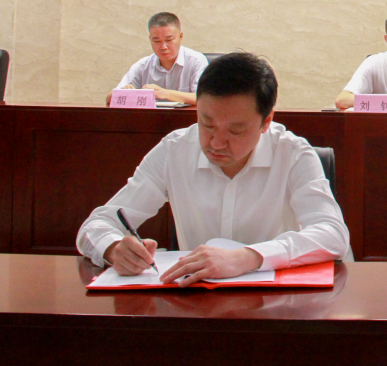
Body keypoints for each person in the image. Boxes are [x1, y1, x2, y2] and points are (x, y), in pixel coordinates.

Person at [79, 51, 352, 286]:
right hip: (195, 304)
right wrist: (114, 248)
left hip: (274, 306)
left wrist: (248, 258)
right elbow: (96, 225)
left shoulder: (293, 154)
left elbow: (332, 234)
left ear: (266, 121)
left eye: (236, 130)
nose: (216, 143)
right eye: (207, 124)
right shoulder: (174, 150)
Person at [107, 12, 208, 106]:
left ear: (180, 37)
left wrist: (166, 93)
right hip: (151, 118)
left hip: (186, 118)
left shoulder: (196, 61)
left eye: (169, 40)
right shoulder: (143, 65)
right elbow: (109, 98)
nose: (163, 47)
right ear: (150, 39)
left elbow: (204, 98)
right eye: (157, 41)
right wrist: (124, 93)